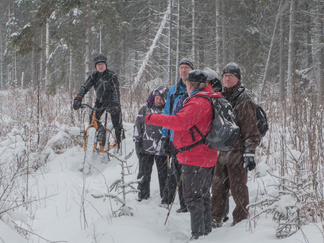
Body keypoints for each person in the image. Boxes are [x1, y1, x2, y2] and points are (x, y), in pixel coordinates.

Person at [145, 70, 220, 239]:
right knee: (203, 195)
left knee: (193, 197)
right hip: (205, 154)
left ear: (191, 85)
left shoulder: (198, 102)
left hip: (195, 156)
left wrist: (153, 118)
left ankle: (198, 235)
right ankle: (206, 233)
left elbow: (180, 122)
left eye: (187, 84)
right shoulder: (210, 97)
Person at [210, 62, 260, 228]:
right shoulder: (221, 97)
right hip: (222, 151)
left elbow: (250, 128)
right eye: (225, 76)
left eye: (231, 76)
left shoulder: (243, 99)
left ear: (238, 79)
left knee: (238, 189)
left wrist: (250, 151)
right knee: (217, 189)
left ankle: (240, 222)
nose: (227, 79)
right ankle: (215, 220)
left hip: (238, 153)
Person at [160, 57, 194, 212]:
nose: (184, 70)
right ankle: (173, 201)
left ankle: (187, 203)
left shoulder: (195, 89)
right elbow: (167, 114)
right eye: (181, 68)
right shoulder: (173, 90)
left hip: (192, 138)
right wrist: (165, 136)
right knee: (175, 170)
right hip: (175, 137)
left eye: (186, 67)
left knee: (188, 172)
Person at [72, 54, 125, 149]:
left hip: (112, 101)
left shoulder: (112, 76)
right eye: (98, 65)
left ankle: (122, 146)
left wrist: (116, 104)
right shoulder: (94, 76)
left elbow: (116, 91)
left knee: (117, 124)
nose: (100, 66)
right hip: (100, 101)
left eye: (102, 64)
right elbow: (85, 87)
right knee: (93, 119)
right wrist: (78, 98)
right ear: (95, 66)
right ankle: (98, 136)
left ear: (105, 65)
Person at [133, 85, 169, 202]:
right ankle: (142, 196)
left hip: (162, 149)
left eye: (161, 98)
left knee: (164, 175)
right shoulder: (145, 108)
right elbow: (138, 125)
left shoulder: (168, 111)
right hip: (146, 148)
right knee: (144, 173)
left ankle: (165, 197)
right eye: (156, 98)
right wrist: (137, 142)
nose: (158, 100)